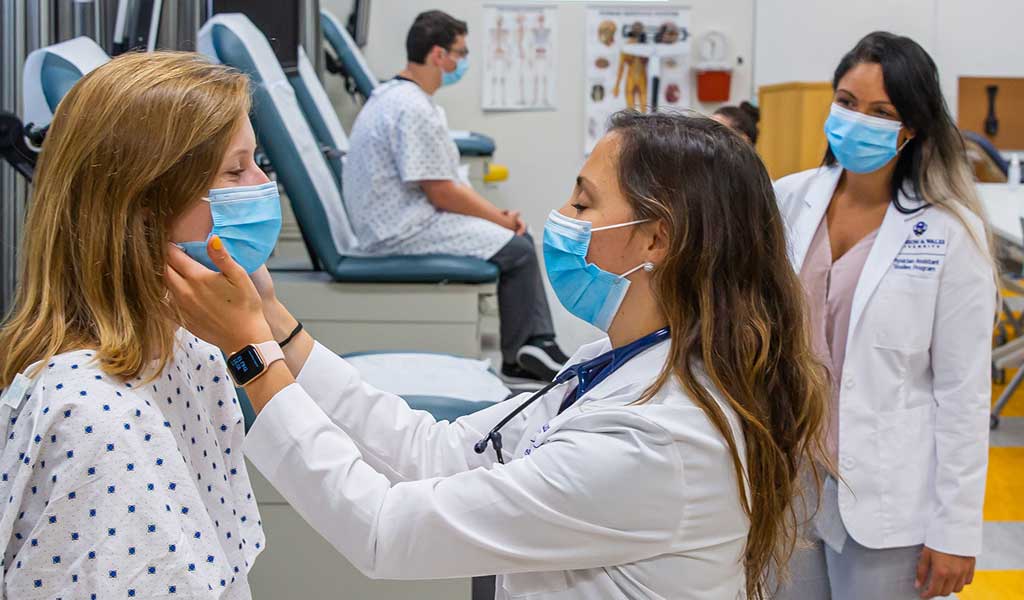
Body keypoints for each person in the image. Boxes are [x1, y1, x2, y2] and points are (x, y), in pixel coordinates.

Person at [166, 111, 830, 599]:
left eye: (584, 200)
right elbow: (437, 451)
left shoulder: (656, 439)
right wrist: (277, 327)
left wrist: (250, 355)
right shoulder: (618, 363)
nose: (560, 214)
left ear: (655, 239)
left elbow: (384, 530)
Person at [0, 52, 268, 598]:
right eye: (236, 170)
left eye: (257, 162)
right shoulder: (102, 423)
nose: (262, 184)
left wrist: (260, 316)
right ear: (145, 208)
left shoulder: (185, 348)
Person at [773, 32, 996, 600]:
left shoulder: (951, 234)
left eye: (882, 112)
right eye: (846, 102)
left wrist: (956, 531)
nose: (857, 120)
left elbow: (963, 393)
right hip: (786, 485)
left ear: (912, 127)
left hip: (889, 495)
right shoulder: (786, 201)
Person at [343, 10, 567, 383]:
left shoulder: (393, 94)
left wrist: (496, 215)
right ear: (437, 55)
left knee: (517, 239)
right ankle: (524, 354)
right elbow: (442, 192)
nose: (463, 62)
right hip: (400, 230)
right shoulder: (412, 107)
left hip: (399, 219)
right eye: (460, 53)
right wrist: (500, 218)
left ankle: (534, 345)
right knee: (520, 248)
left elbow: (440, 185)